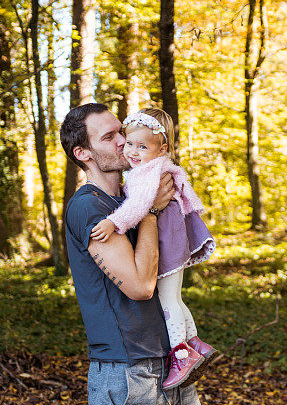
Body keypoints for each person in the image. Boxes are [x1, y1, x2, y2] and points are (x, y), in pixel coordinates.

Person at [60, 103, 207, 405]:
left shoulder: (129, 198)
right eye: (109, 137)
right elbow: (141, 285)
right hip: (127, 373)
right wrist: (153, 213)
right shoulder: (89, 209)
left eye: (121, 131)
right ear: (83, 154)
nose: (124, 141)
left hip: (172, 365)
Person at [90, 108, 217, 390]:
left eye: (143, 146)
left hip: (167, 240)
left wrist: (113, 222)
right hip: (172, 237)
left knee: (167, 300)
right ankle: (196, 343)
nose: (133, 152)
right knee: (173, 295)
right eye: (130, 143)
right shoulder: (152, 168)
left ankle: (182, 355)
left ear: (162, 150)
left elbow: (138, 206)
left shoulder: (149, 173)